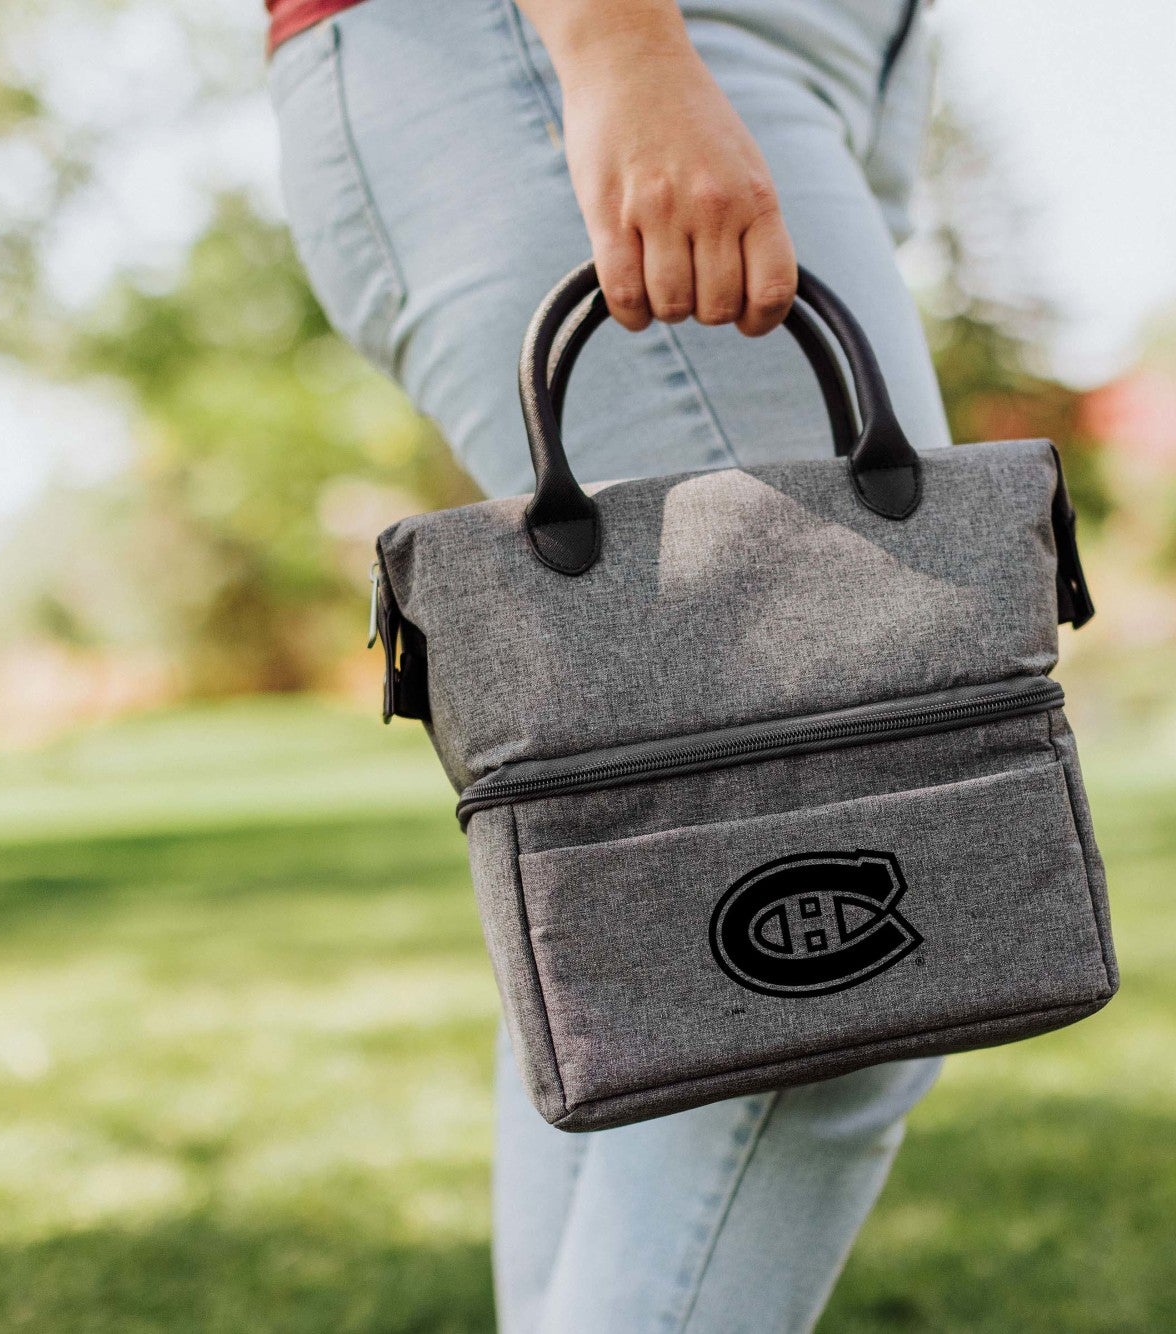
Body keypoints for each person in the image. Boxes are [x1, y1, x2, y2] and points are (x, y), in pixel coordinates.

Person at [267, 1, 949, 1328]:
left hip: (798, 57)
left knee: (643, 922)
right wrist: (618, 48)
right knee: (843, 947)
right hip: (584, 36)